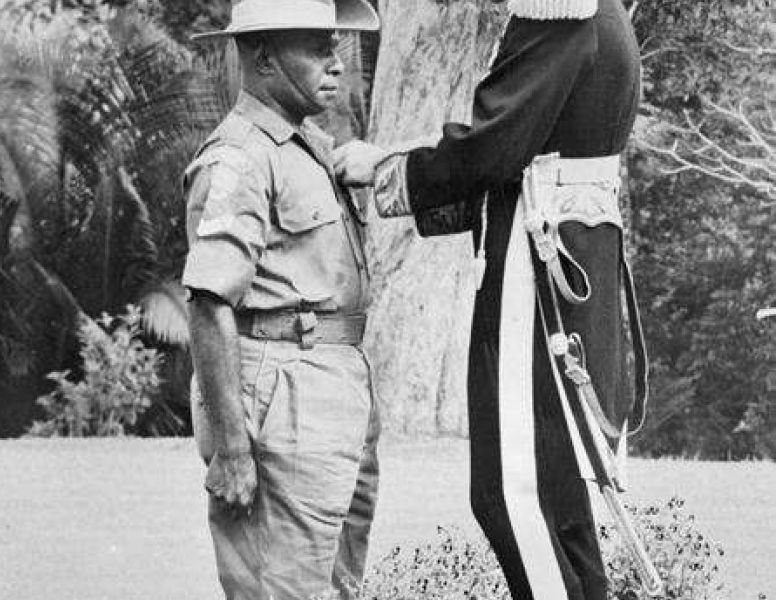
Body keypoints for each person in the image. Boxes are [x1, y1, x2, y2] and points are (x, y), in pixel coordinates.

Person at [334, 1, 648, 599]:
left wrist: (385, 169)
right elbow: (517, 144)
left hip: (538, 270)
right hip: (573, 259)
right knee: (563, 499)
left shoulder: (561, 10)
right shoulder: (602, 14)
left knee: (512, 492)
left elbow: (491, 148)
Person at [181, 1, 381, 599]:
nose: (336, 63)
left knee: (337, 585)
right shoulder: (239, 157)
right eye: (316, 47)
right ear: (264, 57)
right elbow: (208, 300)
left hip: (336, 383)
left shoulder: (313, 148)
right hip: (280, 392)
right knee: (280, 589)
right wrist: (234, 450)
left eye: (335, 46)